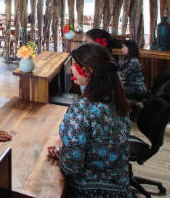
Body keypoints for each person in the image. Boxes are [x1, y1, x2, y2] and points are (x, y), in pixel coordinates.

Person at [47, 42, 131, 197]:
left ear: (88, 71)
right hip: (121, 189)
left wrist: (61, 153)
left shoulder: (83, 110)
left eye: (74, 65)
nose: (71, 69)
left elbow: (71, 167)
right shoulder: (118, 101)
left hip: (89, 192)